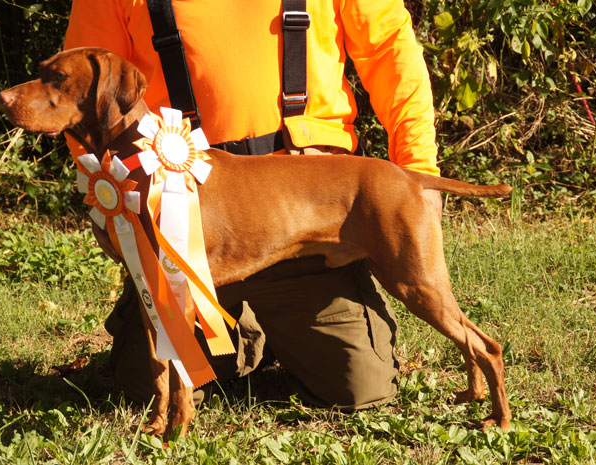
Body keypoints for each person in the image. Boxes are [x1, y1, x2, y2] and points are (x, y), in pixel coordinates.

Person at [63, 0, 442, 411]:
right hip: (183, 226)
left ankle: (276, 328)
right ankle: (250, 335)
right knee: (143, 390)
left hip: (303, 219)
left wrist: (418, 168)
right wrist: (120, 198)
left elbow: (389, 49)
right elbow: (75, 93)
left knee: (358, 388)